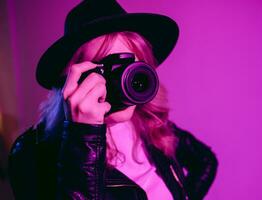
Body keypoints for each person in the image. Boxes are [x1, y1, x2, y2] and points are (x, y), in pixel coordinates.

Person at [8, 0, 218, 199]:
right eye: (108, 70)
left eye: (130, 68)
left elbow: (206, 162)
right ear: (71, 79)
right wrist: (83, 135)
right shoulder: (32, 154)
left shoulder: (149, 123)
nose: (122, 82)